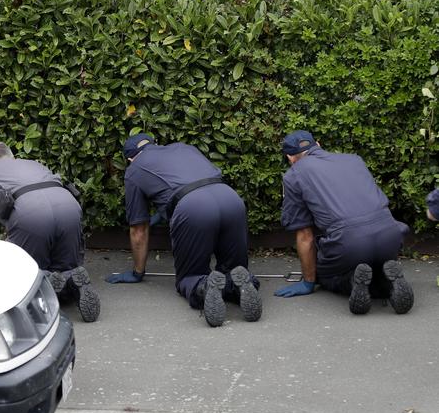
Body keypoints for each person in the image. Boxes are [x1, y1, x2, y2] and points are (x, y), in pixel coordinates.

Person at [106, 133, 262, 327]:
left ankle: (204, 286)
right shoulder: (184, 147)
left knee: (190, 277)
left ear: (130, 158)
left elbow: (139, 229)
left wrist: (137, 272)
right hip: (230, 199)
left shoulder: (134, 170)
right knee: (234, 269)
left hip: (193, 207)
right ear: (155, 144)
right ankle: (243, 283)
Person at [0, 142, 100, 322]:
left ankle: (42, 280)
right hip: (68, 206)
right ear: (11, 157)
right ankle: (71, 277)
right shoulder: (32, 163)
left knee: (24, 271)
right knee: (65, 266)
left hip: (30, 213)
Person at [275, 130, 414, 315]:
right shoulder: (354, 159)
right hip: (391, 235)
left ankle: (354, 283)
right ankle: (388, 282)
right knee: (370, 260)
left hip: (350, 244)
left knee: (325, 276)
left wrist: (309, 282)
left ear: (290, 157)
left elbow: (305, 236)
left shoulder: (294, 175)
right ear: (318, 144)